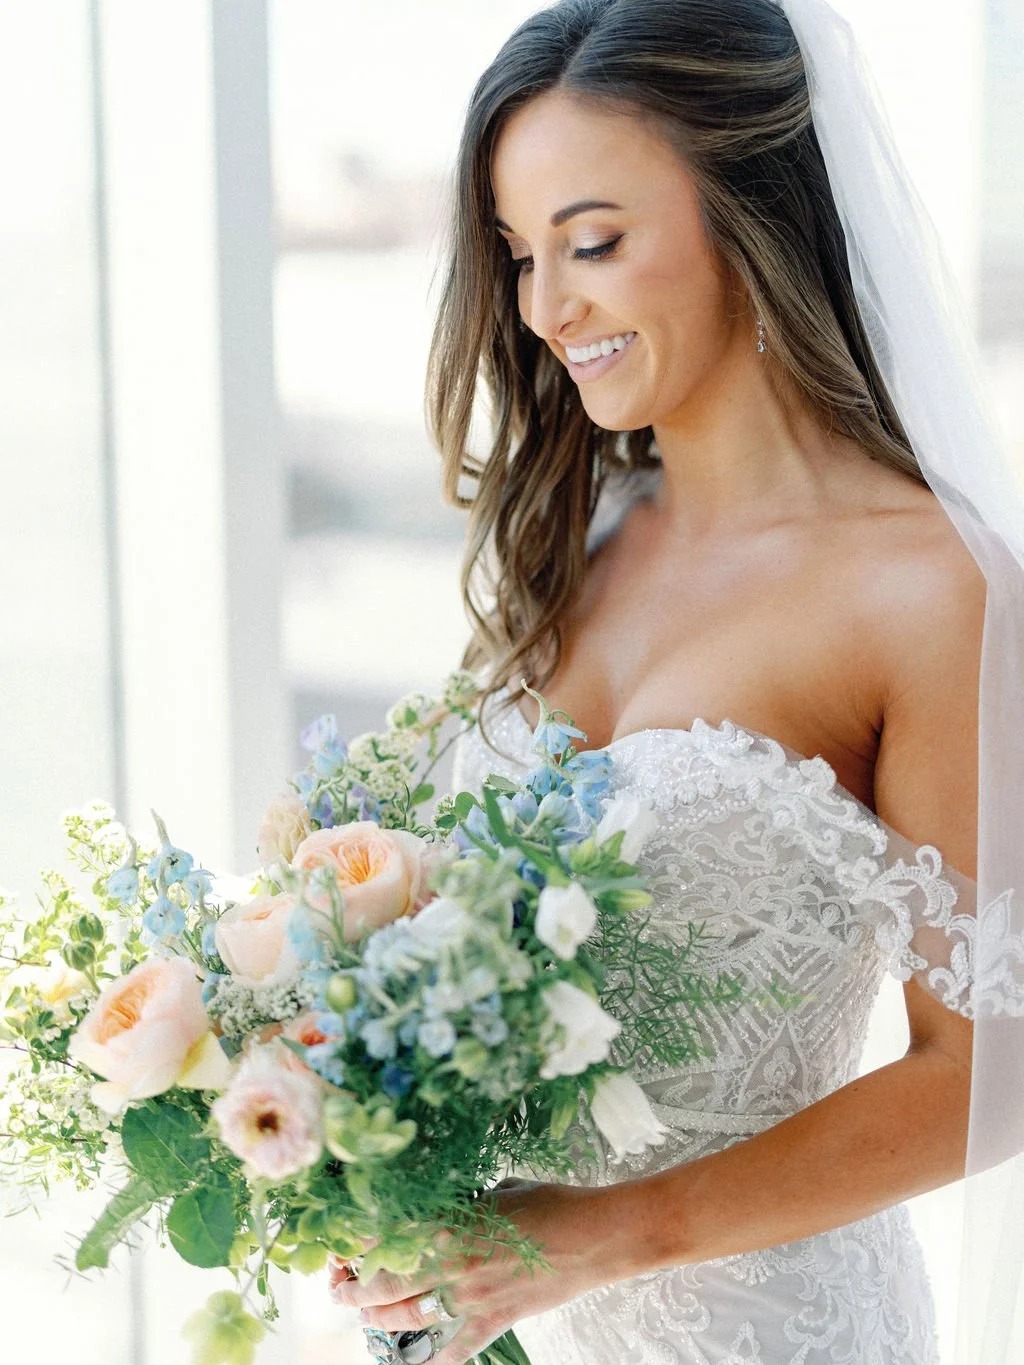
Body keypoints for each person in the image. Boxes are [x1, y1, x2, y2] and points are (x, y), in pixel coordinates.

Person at [331, 1, 1024, 1361]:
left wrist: (597, 1235)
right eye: (522, 255)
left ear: (752, 215)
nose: (546, 306)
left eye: (593, 242)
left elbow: (993, 1076)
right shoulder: (572, 540)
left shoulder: (936, 588)